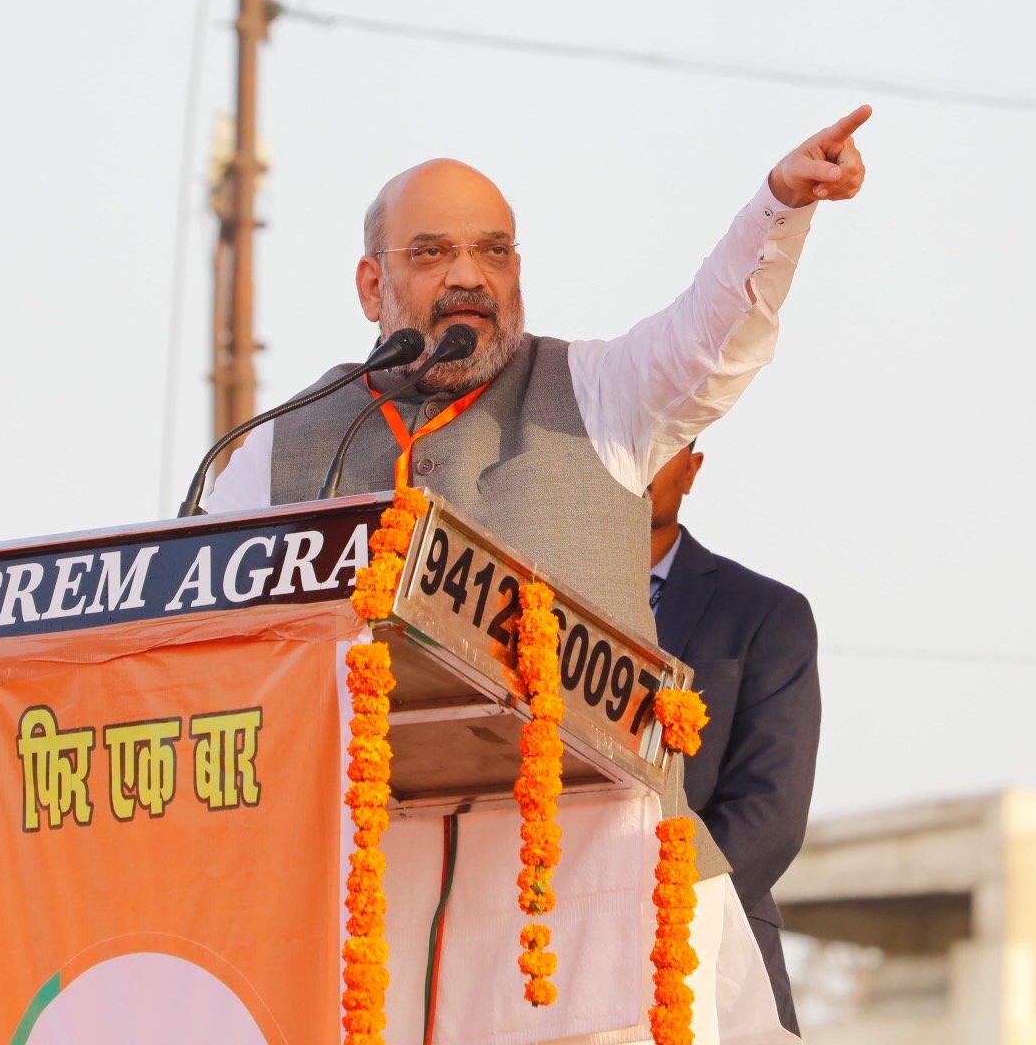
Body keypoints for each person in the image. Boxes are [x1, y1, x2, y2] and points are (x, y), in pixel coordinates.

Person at [207, 106, 869, 1042]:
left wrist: (779, 207)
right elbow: (216, 646)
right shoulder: (274, 450)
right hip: (373, 909)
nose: (470, 275)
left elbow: (713, 337)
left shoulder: (600, 396)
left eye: (495, 251)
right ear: (372, 284)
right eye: (432, 253)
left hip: (590, 903)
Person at [647, 439, 821, 1034]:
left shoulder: (763, 613)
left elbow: (769, 815)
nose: (641, 463)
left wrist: (644, 903)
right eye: (626, 445)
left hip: (714, 952)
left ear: (691, 470)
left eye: (662, 446)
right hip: (550, 951)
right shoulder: (528, 597)